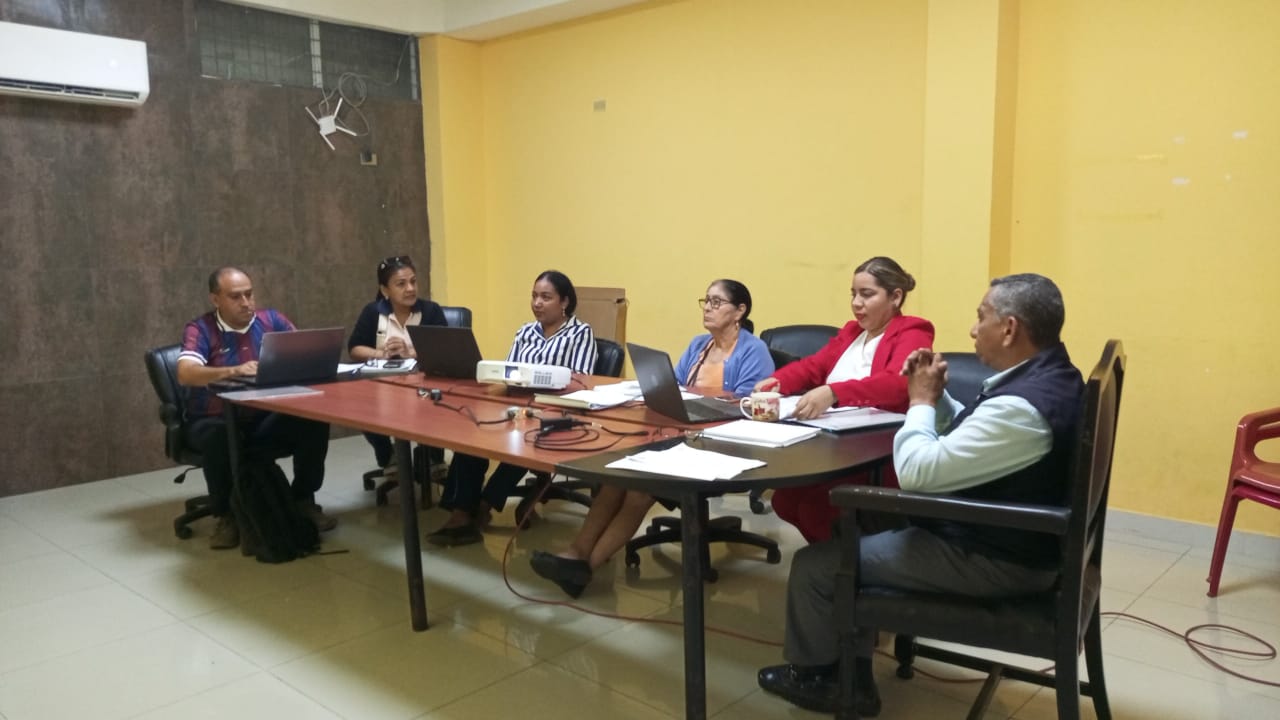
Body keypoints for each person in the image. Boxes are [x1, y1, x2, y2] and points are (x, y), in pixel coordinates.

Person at [757, 273, 1085, 717]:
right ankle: (853, 665)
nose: (972, 330)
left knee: (815, 566)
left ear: (1009, 329)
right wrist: (939, 397)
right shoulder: (1052, 377)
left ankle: (823, 679)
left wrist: (921, 402)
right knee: (850, 525)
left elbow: (917, 474)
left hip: (998, 557)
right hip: (1008, 533)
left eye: (981, 317)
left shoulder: (1021, 407)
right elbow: (970, 437)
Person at [528, 279, 775, 597]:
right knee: (617, 475)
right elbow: (674, 386)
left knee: (639, 491)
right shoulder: (699, 345)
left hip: (723, 444)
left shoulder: (753, 351)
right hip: (685, 433)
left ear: (739, 311)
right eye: (706, 301)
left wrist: (694, 411)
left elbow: (744, 406)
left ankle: (585, 568)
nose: (708, 308)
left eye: (717, 302)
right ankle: (576, 554)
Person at [757, 256, 934, 543]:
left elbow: (898, 383)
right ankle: (831, 555)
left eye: (867, 294)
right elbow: (813, 366)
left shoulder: (913, 330)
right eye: (853, 294)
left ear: (895, 297)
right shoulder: (852, 332)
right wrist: (778, 381)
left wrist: (835, 392)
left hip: (876, 448)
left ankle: (845, 561)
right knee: (785, 501)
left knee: (816, 509)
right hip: (833, 440)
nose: (856, 303)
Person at [427, 270, 597, 546]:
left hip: (554, 410)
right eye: (534, 296)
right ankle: (461, 511)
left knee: (522, 440)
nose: (537, 303)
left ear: (564, 301)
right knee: (474, 433)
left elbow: (581, 381)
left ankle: (482, 506)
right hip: (516, 404)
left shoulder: (580, 333)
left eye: (546, 297)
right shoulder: (525, 331)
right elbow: (508, 372)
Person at [177, 267, 336, 550]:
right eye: (235, 297)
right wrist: (233, 370)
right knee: (219, 437)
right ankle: (226, 515)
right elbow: (186, 373)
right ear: (215, 299)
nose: (246, 303)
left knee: (313, 421)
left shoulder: (271, 320)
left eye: (249, 294)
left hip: (262, 416)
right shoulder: (201, 329)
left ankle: (302, 499)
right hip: (213, 418)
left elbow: (303, 352)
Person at [347, 255, 448, 475]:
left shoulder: (430, 311)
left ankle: (432, 456)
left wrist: (409, 352)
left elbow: (444, 349)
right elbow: (354, 348)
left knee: (436, 401)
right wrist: (381, 354)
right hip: (383, 386)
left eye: (413, 281)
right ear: (385, 290)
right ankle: (388, 456)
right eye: (401, 284)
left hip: (424, 384)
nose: (410, 289)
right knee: (360, 405)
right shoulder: (373, 312)